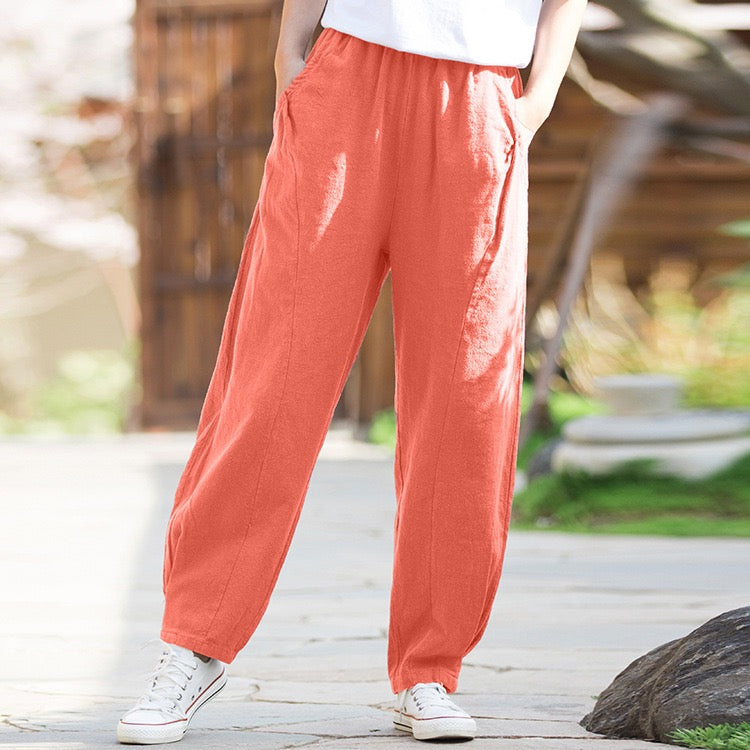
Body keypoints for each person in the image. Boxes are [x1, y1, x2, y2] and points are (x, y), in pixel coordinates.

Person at [117, 0, 588, 743]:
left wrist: (536, 101)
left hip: (481, 100)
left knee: (465, 396)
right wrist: (293, 57)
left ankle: (430, 669)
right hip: (347, 77)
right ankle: (194, 644)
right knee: (274, 375)